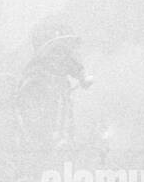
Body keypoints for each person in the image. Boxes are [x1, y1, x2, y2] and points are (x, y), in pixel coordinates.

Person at [12, 14, 90, 152]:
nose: (60, 55)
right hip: (37, 138)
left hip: (56, 136)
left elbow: (75, 66)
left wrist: (83, 78)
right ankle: (54, 141)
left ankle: (62, 140)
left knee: (64, 107)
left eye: (63, 50)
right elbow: (23, 104)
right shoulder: (34, 70)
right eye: (56, 50)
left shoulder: (64, 64)